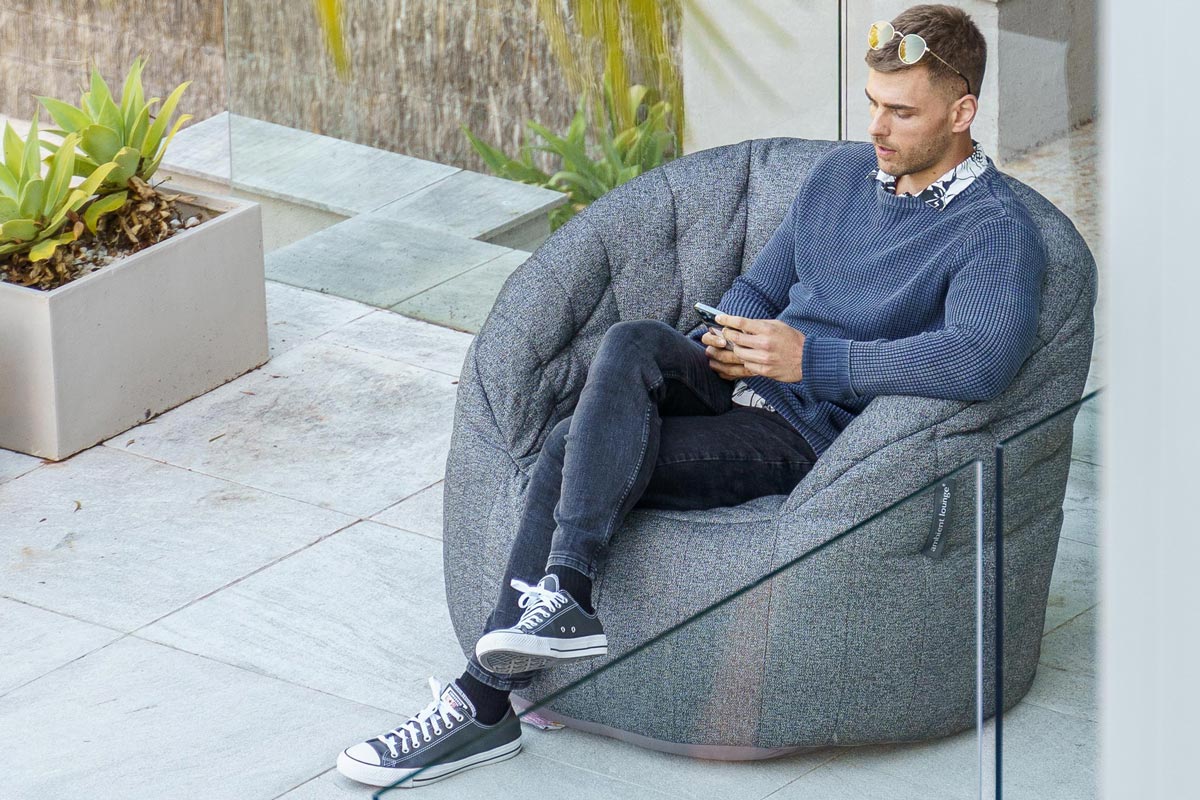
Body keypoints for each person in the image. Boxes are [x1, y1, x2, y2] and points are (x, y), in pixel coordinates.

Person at [335, 2, 1046, 788]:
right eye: (874, 104)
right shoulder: (843, 177)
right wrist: (728, 333)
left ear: (961, 113)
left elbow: (980, 360)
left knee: (570, 447)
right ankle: (560, 600)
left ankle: (486, 698)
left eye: (901, 113)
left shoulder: (994, 231)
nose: (876, 128)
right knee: (633, 341)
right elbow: (761, 285)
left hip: (799, 430)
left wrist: (810, 361)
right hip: (740, 377)